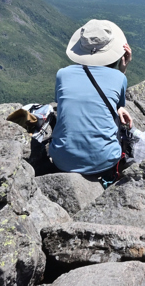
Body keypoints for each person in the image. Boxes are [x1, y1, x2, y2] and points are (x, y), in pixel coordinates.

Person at [48, 19, 134, 181]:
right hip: (104, 161)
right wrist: (123, 70)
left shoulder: (62, 74)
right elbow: (114, 102)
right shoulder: (118, 78)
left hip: (61, 160)